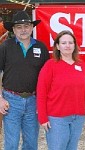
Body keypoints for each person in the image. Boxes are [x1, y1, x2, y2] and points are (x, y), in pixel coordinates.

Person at [0, 11, 49, 150]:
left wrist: (44, 101)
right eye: (19, 27)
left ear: (32, 27)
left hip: (33, 101)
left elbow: (47, 76)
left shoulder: (41, 47)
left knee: (31, 143)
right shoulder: (5, 47)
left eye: (26, 26)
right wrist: (0, 99)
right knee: (11, 143)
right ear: (14, 29)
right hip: (11, 101)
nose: (23, 30)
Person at [37, 30, 85, 150]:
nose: (68, 45)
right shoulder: (50, 65)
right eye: (64, 43)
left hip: (78, 117)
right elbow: (41, 92)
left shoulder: (81, 65)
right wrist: (43, 118)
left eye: (70, 42)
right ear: (58, 46)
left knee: (72, 147)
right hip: (57, 117)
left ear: (75, 45)